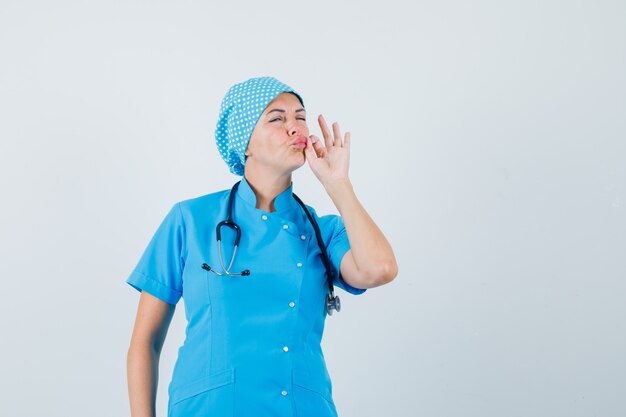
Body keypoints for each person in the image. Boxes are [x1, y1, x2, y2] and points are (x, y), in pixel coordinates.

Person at [125, 76, 398, 417]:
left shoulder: (323, 231)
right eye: (277, 118)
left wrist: (338, 183)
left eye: (300, 116)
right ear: (245, 142)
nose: (295, 127)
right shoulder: (190, 220)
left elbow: (380, 269)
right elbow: (145, 342)